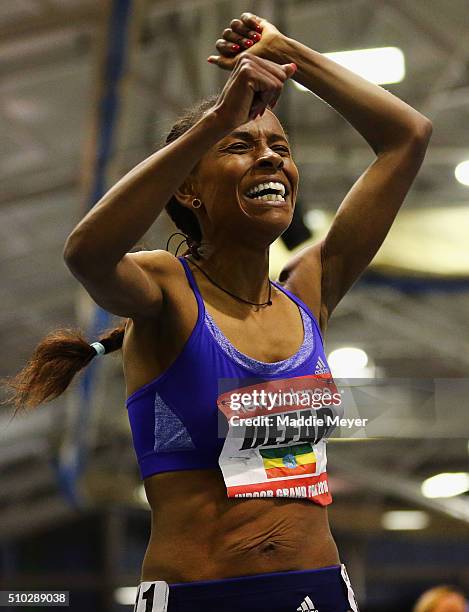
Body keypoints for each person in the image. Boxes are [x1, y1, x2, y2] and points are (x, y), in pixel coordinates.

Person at [2, 12, 432, 612]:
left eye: (280, 148)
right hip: (202, 595)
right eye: (241, 145)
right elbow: (88, 253)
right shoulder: (165, 288)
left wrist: (286, 54)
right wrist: (216, 120)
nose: (270, 159)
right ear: (189, 187)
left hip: (316, 591)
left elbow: (407, 135)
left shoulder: (310, 290)